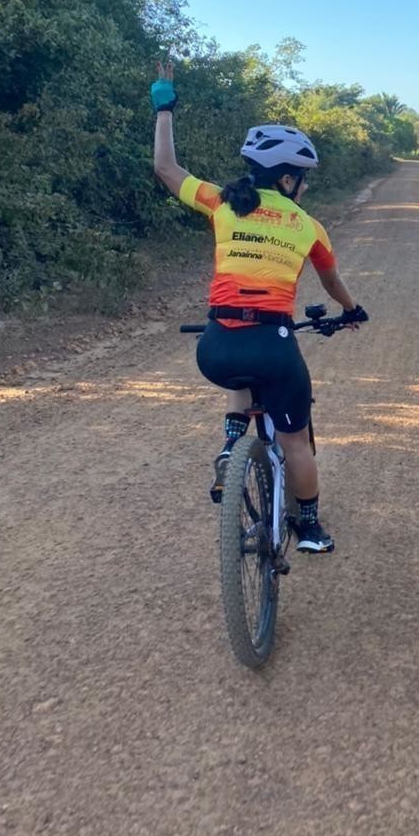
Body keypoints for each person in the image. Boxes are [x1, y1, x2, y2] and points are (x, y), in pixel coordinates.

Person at [150, 62, 367, 554]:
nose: (305, 187)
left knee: (241, 369)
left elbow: (166, 169)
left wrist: (164, 106)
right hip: (273, 345)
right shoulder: (307, 225)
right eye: (304, 179)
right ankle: (309, 529)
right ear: (288, 180)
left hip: (216, 348)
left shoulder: (223, 201)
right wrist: (352, 310)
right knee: (295, 440)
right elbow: (332, 282)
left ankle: (232, 444)